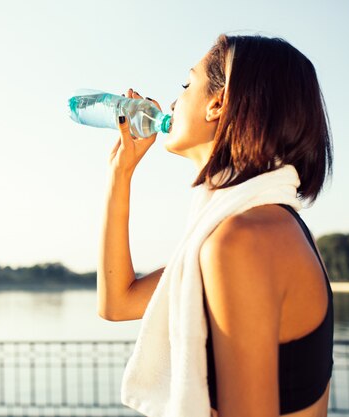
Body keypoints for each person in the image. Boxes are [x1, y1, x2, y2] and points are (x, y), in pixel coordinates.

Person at [98, 33, 334, 417]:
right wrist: (119, 173)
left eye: (186, 84)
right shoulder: (262, 226)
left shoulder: (244, 241)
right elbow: (117, 302)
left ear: (217, 104)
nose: (173, 102)